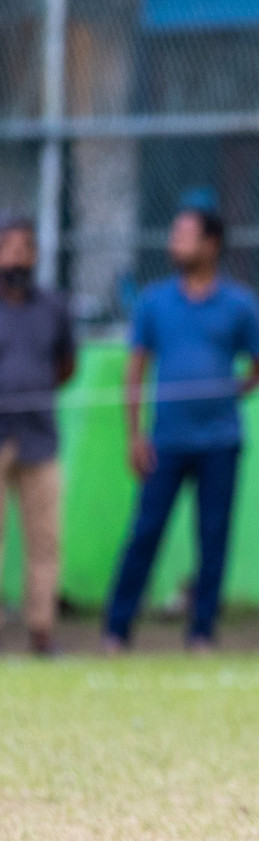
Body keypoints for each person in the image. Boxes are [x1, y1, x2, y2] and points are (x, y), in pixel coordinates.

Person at [103, 208, 259, 651]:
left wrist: (225, 392)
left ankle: (201, 631)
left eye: (185, 235)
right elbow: (136, 369)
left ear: (211, 244)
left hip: (221, 442)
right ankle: (117, 629)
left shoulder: (239, 304)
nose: (174, 243)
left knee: (213, 537)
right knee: (145, 532)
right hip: (165, 443)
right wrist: (135, 434)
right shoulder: (154, 302)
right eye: (173, 234)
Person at [0, 217, 75, 655]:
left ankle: (42, 631)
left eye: (24, 247)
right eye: (7, 246)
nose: (16, 255)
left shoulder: (52, 307)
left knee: (45, 539)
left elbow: (66, 365)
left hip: (39, 437)